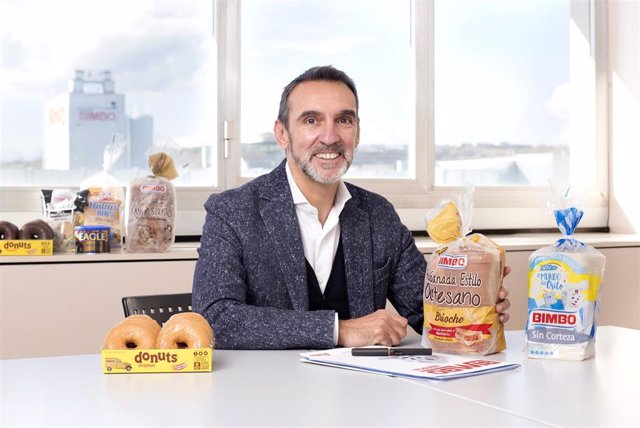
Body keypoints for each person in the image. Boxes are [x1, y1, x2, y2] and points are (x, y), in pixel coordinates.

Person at [193, 65, 510, 349]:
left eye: (343, 120)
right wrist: (338, 330)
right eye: (311, 120)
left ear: (357, 133)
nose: (329, 137)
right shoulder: (232, 212)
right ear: (282, 134)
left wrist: (468, 303)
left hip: (362, 400)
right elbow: (214, 319)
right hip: (267, 401)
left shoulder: (378, 214)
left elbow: (426, 310)